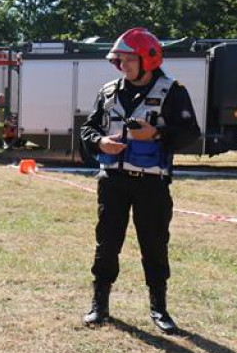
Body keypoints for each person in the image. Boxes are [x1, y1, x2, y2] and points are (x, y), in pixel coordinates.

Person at [80, 28, 200, 334]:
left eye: (129, 59)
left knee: (155, 244)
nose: (123, 66)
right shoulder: (108, 91)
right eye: (119, 60)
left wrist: (157, 133)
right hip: (113, 181)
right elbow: (88, 129)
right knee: (107, 242)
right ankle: (99, 305)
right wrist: (100, 142)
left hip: (152, 184)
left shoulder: (173, 91)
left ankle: (159, 308)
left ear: (149, 58)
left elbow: (191, 133)